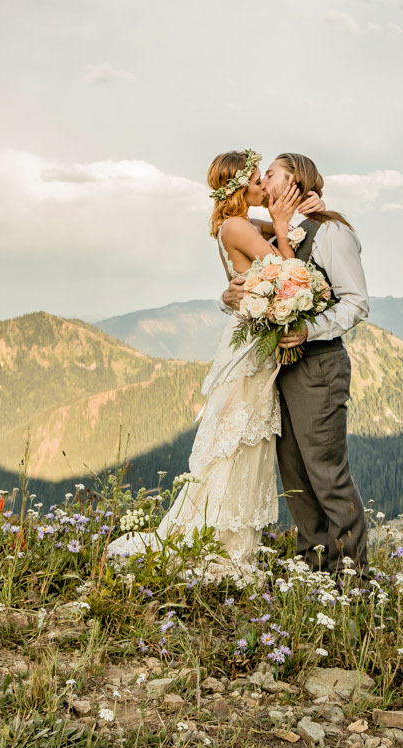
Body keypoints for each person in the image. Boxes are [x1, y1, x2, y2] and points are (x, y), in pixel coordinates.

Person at [106, 149, 309, 568]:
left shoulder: (237, 223)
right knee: (237, 440)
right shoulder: (237, 225)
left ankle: (229, 536)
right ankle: (219, 538)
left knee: (240, 437)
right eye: (256, 180)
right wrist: (285, 230)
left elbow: (286, 231)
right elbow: (289, 271)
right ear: (238, 187)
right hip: (252, 347)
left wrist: (296, 212)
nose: (262, 186)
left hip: (249, 338)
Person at [223, 152, 371, 576]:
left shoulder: (331, 232)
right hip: (281, 368)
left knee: (326, 472)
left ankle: (352, 575)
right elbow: (248, 274)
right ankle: (313, 563)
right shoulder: (279, 235)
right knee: (294, 473)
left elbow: (357, 303)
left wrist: (310, 330)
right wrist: (229, 297)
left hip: (320, 364)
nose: (263, 180)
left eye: (270, 174)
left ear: (294, 183)